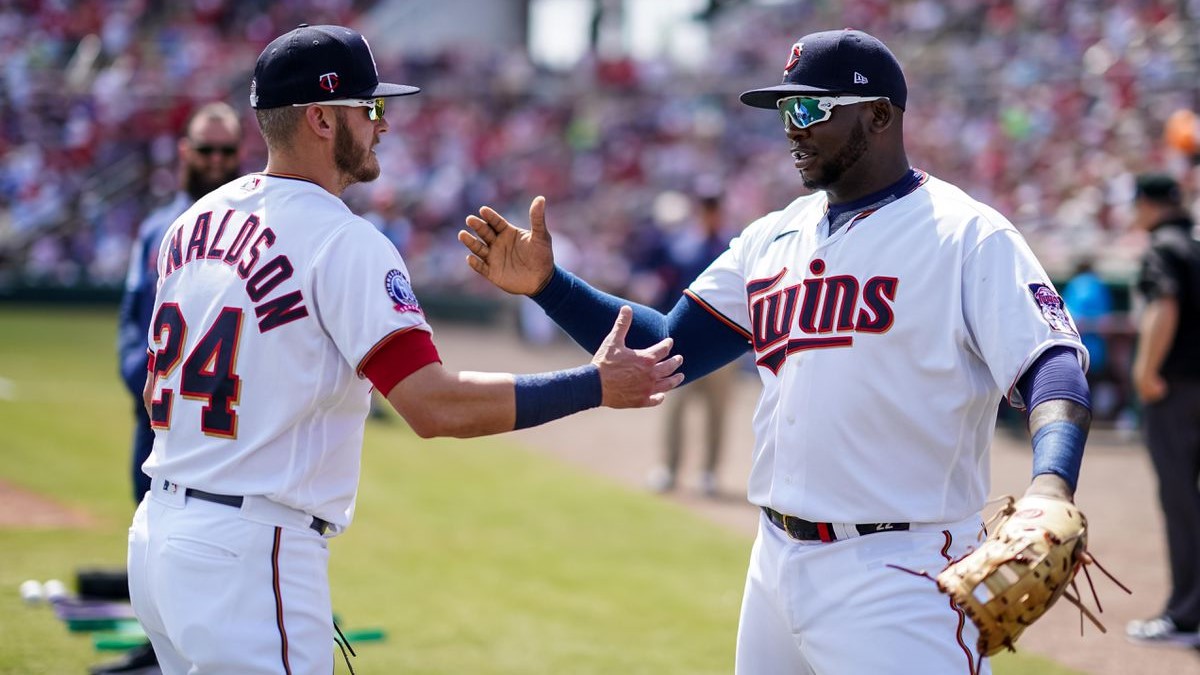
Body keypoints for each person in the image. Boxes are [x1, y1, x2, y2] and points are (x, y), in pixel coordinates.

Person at [459, 28, 1092, 673]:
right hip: (773, 563)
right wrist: (548, 286)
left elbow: (1053, 365)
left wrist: (1049, 485)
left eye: (810, 108)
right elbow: (663, 349)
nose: (792, 127)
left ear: (878, 114)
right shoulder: (773, 236)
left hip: (901, 569)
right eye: (786, 111)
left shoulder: (966, 234)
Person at [126, 24, 683, 674]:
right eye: (372, 108)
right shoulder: (344, 240)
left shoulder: (193, 222)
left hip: (160, 530)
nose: (384, 124)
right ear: (322, 120)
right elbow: (433, 405)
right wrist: (593, 384)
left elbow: (154, 383)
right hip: (250, 550)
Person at [95, 101, 244, 675]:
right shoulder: (159, 228)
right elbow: (134, 315)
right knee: (152, 530)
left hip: (217, 418)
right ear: (184, 152)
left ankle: (207, 650)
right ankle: (158, 646)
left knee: (214, 540)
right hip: (155, 415)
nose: (214, 161)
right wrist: (143, 381)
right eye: (205, 150)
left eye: (226, 152)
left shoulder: (249, 228)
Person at [1124, 172, 1200, 646]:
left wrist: (1145, 371)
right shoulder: (1196, 242)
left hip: (1177, 391)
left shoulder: (1163, 247)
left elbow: (1164, 304)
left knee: (1182, 503)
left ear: (1148, 205)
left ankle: (1187, 616)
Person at [638, 191, 738, 496]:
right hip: (681, 342)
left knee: (716, 411)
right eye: (705, 207)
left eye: (713, 207)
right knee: (676, 408)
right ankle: (669, 468)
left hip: (724, 344)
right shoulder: (680, 244)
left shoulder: (734, 245)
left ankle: (708, 473)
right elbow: (656, 278)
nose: (709, 212)